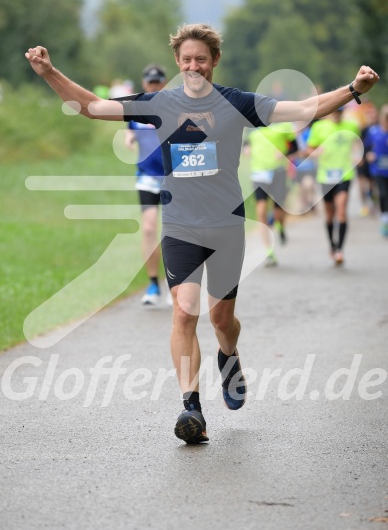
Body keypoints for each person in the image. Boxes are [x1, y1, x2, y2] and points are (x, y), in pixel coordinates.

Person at [25, 24, 379, 444]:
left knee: (221, 320)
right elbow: (93, 107)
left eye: (201, 59)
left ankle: (228, 357)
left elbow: (302, 110)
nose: (193, 65)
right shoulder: (160, 103)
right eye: (187, 59)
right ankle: (191, 407)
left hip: (228, 226)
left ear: (213, 61)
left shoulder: (237, 103)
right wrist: (49, 73)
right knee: (185, 311)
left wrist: (352, 90)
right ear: (178, 61)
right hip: (180, 224)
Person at [124, 64, 172, 306]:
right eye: (150, 83)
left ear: (163, 83)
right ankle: (153, 284)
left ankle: (177, 285)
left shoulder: (172, 107)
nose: (154, 86)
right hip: (147, 176)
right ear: (144, 84)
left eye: (157, 82)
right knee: (149, 229)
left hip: (173, 177)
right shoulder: (137, 109)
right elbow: (129, 128)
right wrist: (129, 136)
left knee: (175, 231)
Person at [306, 107, 361, 265]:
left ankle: (340, 250)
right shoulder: (318, 127)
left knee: (342, 210)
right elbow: (309, 148)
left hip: (345, 174)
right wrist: (315, 152)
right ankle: (332, 244)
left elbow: (358, 143)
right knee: (330, 215)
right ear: (329, 112)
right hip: (325, 176)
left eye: (340, 112)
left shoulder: (352, 126)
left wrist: (358, 154)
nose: (337, 114)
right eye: (335, 111)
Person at [245, 122, 298, 266]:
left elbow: (295, 147)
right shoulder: (252, 128)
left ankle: (280, 225)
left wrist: (284, 153)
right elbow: (245, 144)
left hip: (278, 173)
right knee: (261, 211)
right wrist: (247, 149)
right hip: (259, 174)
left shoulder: (284, 127)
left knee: (278, 211)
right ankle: (268, 251)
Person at [364, 105, 388, 237]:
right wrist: (369, 154)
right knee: (383, 194)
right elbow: (365, 146)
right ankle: (385, 220)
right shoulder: (374, 132)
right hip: (379, 169)